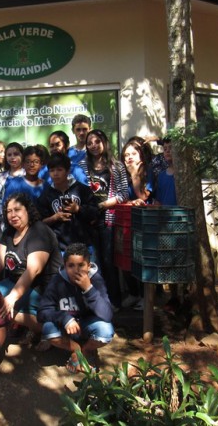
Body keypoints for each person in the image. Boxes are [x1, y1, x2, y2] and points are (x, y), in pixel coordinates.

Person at [0, 193, 62, 347]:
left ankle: (50, 331)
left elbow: (34, 269)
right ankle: (29, 327)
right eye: (9, 211)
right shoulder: (9, 232)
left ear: (28, 210)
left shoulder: (39, 231)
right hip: (17, 282)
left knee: (4, 306)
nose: (13, 215)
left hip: (44, 286)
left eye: (17, 210)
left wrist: (12, 297)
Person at [38, 243, 114, 373]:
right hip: (66, 328)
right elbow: (42, 312)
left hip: (88, 326)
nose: (76, 270)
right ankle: (76, 349)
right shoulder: (57, 281)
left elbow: (107, 315)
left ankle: (85, 351)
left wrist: (88, 289)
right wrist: (64, 318)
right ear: (65, 266)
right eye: (71, 266)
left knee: (106, 331)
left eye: (81, 265)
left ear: (89, 266)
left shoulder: (96, 280)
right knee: (48, 329)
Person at [77, 129, 128, 308]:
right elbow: (80, 190)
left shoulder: (116, 165)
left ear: (104, 142)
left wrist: (103, 205)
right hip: (88, 220)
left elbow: (124, 193)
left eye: (97, 141)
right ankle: (96, 301)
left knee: (108, 261)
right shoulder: (82, 165)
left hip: (108, 219)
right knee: (93, 261)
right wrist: (87, 210)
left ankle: (114, 301)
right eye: (89, 143)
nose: (93, 146)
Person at [38, 153, 99, 252]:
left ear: (68, 171)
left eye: (59, 170)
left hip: (85, 245)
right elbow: (39, 222)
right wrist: (55, 217)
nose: (55, 174)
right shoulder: (46, 195)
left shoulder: (82, 189)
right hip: (60, 249)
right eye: (52, 170)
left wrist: (78, 209)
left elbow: (95, 213)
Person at [122, 138, 157, 206]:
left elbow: (143, 196)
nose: (130, 157)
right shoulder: (121, 172)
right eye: (127, 155)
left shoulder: (148, 171)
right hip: (127, 212)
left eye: (134, 154)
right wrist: (131, 202)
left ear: (141, 156)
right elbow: (120, 198)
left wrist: (134, 174)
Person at [155, 139, 177, 206]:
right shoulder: (161, 176)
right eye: (165, 149)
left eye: (170, 148)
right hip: (165, 214)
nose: (167, 151)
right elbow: (159, 200)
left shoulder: (184, 174)